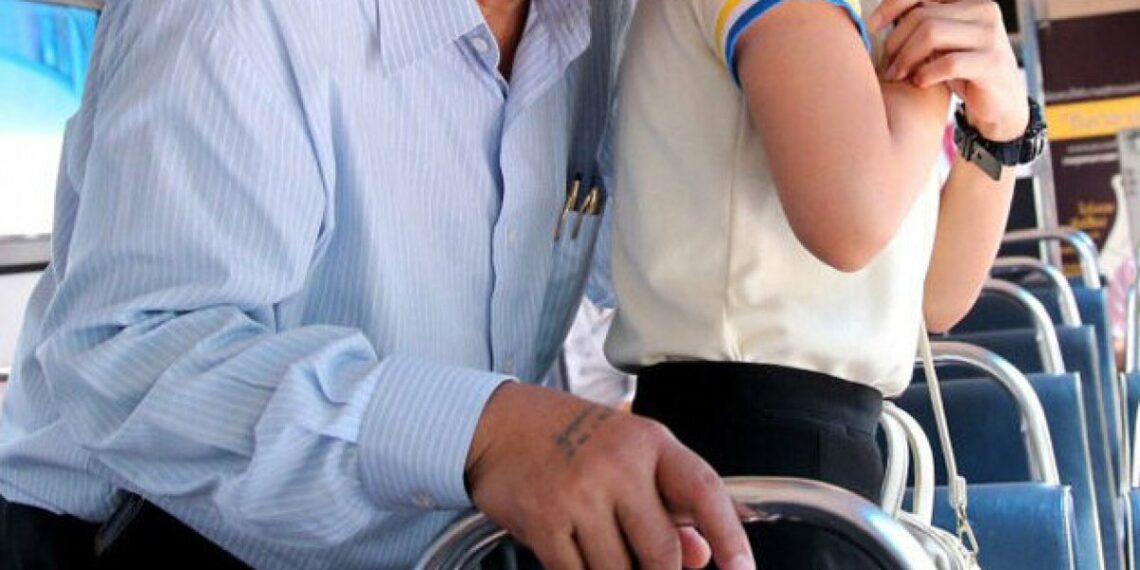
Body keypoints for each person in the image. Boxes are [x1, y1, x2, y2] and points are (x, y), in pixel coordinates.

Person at [0, 1, 756, 569]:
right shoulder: (236, 16)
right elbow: (126, 359)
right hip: (138, 532)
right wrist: (484, 431)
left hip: (432, 539)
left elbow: (637, 256)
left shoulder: (600, 20)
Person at [606, 0, 1044, 567]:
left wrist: (1000, 130)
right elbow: (852, 222)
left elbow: (938, 298)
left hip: (823, 457)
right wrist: (929, 77)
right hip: (744, 455)